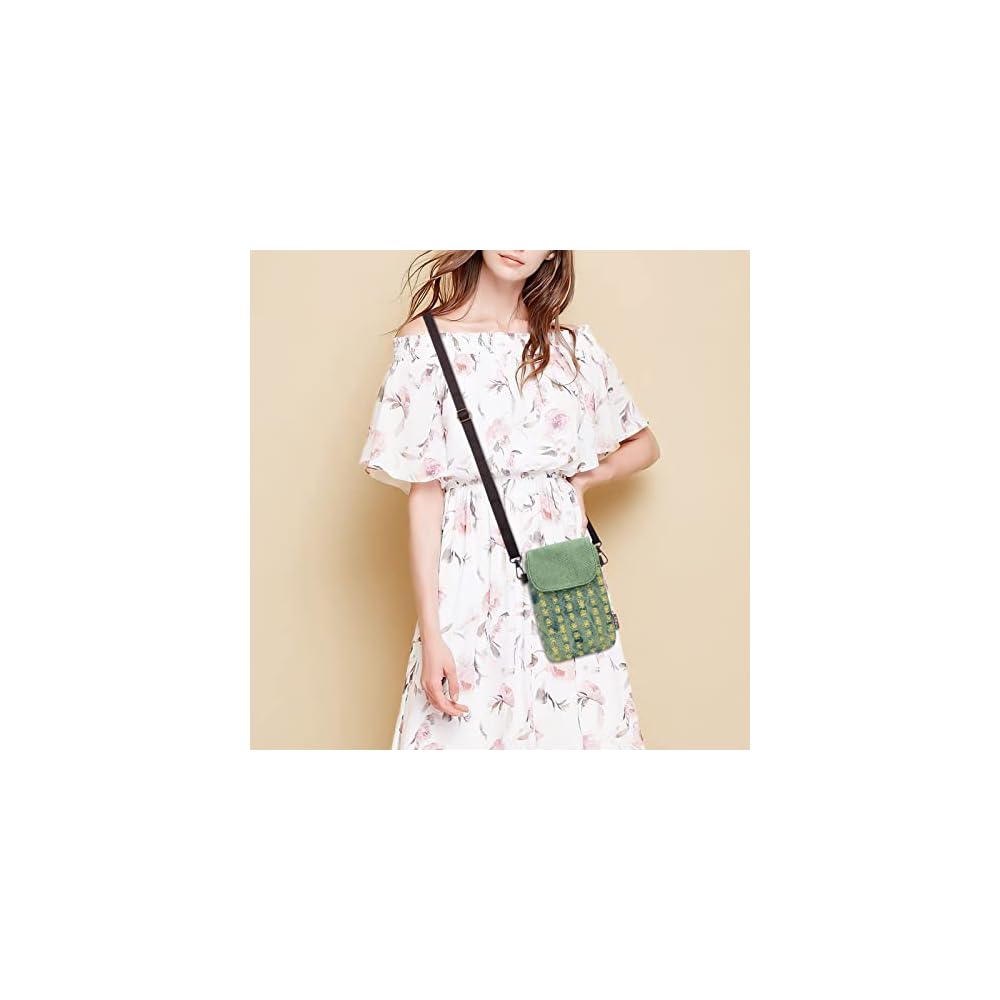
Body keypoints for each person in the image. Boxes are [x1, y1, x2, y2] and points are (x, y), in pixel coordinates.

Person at [358, 251, 660, 749]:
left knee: (577, 730)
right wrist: (433, 635)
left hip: (561, 575)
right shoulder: (425, 343)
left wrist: (585, 481)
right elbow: (425, 495)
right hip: (470, 577)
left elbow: (645, 444)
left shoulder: (570, 348)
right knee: (466, 732)